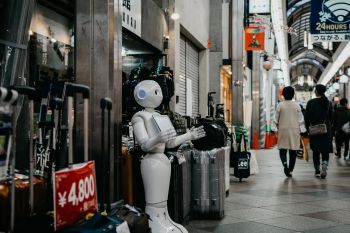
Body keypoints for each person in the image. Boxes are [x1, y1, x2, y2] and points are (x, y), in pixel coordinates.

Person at [275, 86, 306, 178]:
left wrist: (274, 128)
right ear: (293, 95)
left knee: (282, 150)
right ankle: (291, 170)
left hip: (283, 130)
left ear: (283, 94)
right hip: (294, 130)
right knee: (293, 151)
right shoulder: (297, 105)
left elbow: (275, 119)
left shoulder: (280, 105)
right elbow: (301, 120)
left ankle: (285, 165)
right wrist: (303, 130)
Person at [305, 84, 333, 179]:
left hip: (314, 130)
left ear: (316, 91)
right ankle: (324, 164)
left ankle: (317, 170)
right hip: (326, 130)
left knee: (316, 151)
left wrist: (306, 128)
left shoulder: (311, 103)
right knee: (325, 150)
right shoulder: (328, 102)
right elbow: (331, 118)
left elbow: (307, 118)